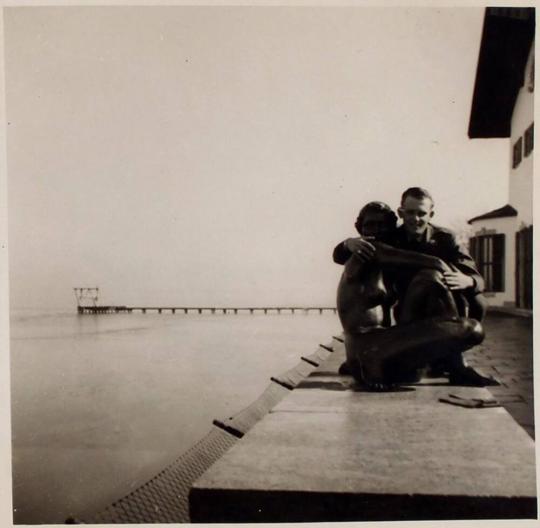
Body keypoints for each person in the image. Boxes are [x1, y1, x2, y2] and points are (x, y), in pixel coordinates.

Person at [336, 201, 496, 391]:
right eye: (369, 225)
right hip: (369, 351)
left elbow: (472, 276)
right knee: (472, 329)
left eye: (382, 225)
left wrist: (466, 281)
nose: (375, 230)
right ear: (359, 228)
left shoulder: (384, 254)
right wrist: (348, 243)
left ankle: (454, 364)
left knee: (429, 279)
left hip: (373, 346)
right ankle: (456, 365)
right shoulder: (369, 250)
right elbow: (433, 263)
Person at [334, 187, 487, 323]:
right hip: (410, 312)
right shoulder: (391, 237)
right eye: (410, 212)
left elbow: (476, 278)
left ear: (431, 215)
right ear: (401, 213)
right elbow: (341, 257)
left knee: (476, 299)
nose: (415, 219)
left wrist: (468, 281)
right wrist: (348, 244)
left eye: (421, 213)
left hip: (445, 307)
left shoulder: (446, 238)